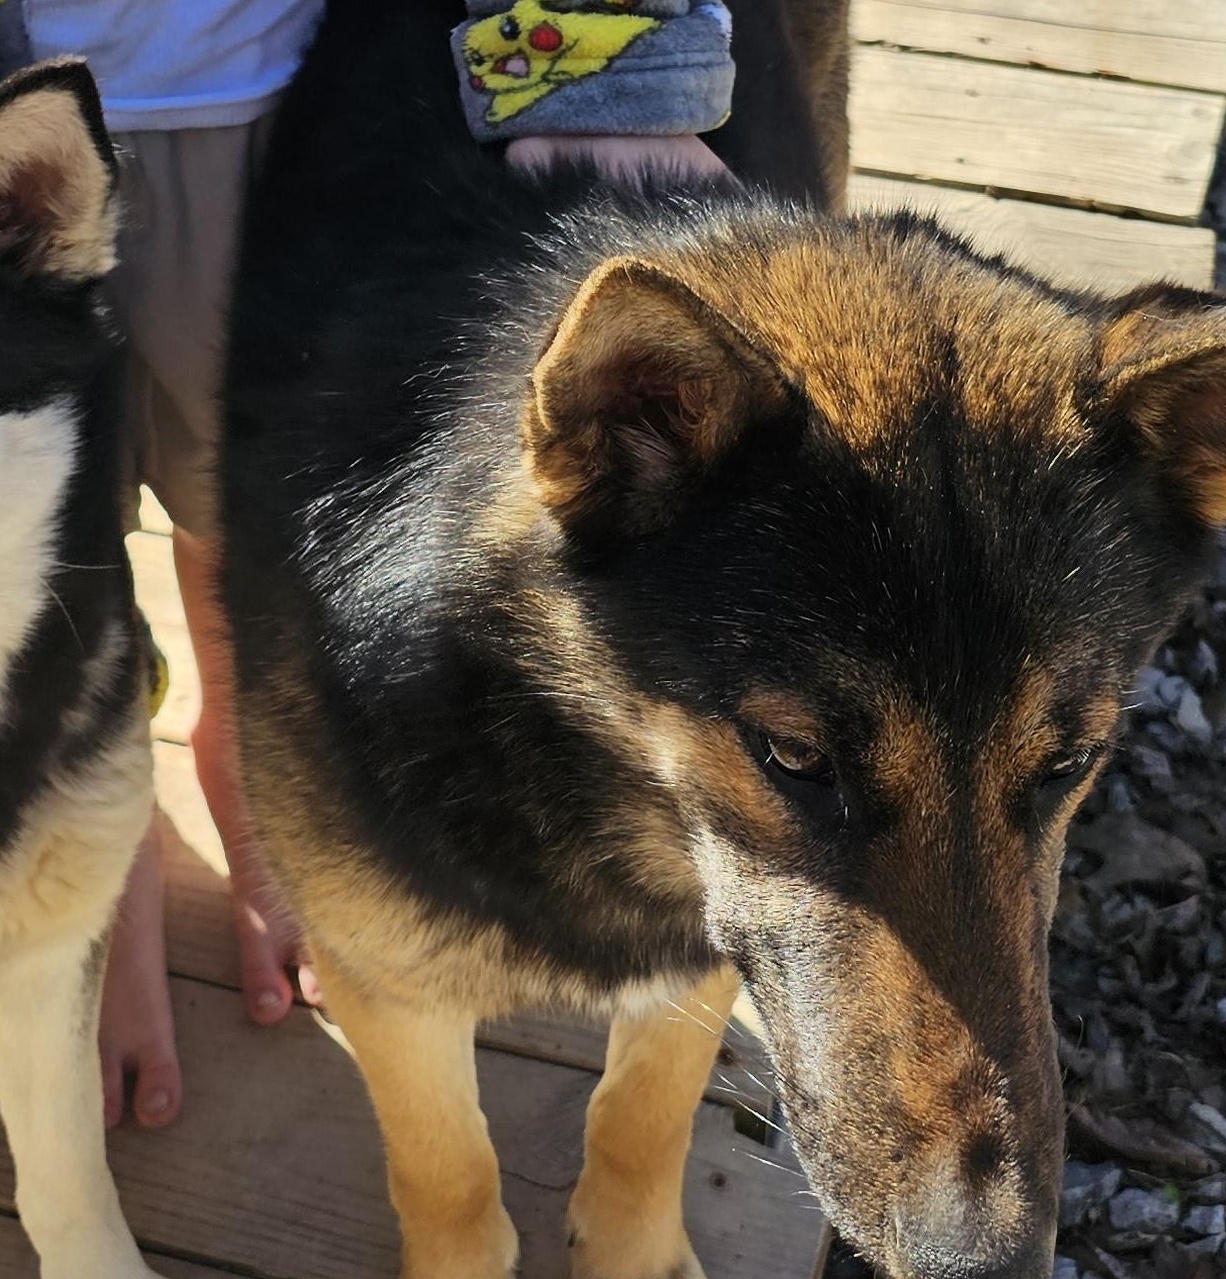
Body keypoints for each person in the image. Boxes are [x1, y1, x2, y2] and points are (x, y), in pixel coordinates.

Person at [5, 0, 734, 1128]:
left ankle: (234, 754)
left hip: (274, 86)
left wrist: (610, 59)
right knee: (42, 513)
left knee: (233, 498)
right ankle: (118, 857)